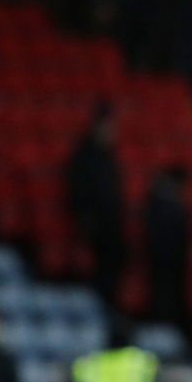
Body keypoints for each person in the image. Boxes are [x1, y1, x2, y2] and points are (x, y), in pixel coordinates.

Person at [65, 102, 127, 307]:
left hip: (112, 228)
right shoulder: (85, 155)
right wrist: (88, 221)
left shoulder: (109, 155)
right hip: (96, 229)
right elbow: (78, 191)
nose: (112, 132)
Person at [143, 167, 192, 343]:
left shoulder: (170, 203)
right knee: (163, 301)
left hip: (175, 264)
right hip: (162, 262)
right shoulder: (160, 204)